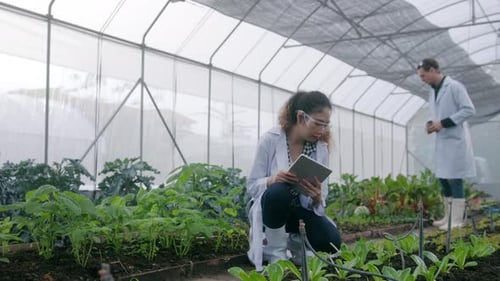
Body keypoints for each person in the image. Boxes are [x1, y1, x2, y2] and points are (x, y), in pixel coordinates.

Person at [246, 90, 342, 271]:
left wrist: (316, 197)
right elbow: (252, 186)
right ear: (300, 117)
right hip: (272, 209)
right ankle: (277, 253)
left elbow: (321, 198)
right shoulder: (271, 139)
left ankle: (296, 245)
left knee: (331, 241)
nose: (321, 131)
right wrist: (272, 179)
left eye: (325, 125)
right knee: (279, 191)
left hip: (299, 211)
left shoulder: (320, 148)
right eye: (317, 123)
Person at [417, 58, 476, 230]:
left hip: (455, 140)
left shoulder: (455, 87)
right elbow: (434, 113)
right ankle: (448, 217)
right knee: (443, 178)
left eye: (423, 76)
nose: (422, 80)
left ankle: (457, 219)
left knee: (455, 179)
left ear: (434, 70)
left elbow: (468, 109)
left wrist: (442, 123)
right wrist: (430, 124)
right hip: (442, 141)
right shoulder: (433, 91)